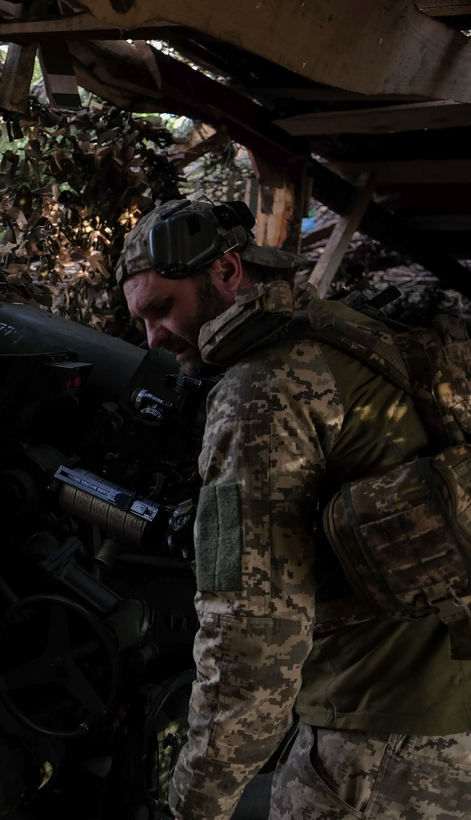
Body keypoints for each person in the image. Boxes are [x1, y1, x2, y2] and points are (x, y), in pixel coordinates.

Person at [115, 199, 471, 820]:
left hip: (379, 737)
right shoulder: (349, 329)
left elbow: (250, 635)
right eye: (141, 322)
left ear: (226, 271)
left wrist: (197, 801)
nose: (154, 338)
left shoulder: (261, 389)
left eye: (162, 308)